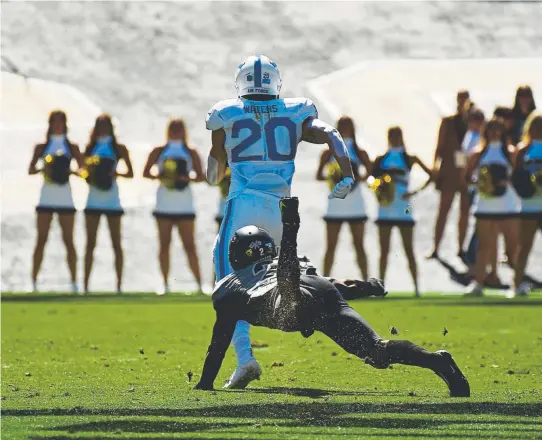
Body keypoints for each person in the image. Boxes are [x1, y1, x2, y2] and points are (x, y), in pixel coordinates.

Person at [195, 197, 470, 398]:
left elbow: (219, 342)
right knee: (376, 351)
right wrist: (366, 288)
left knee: (288, 301)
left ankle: (291, 226)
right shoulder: (284, 264)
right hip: (322, 294)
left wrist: (206, 382)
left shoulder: (228, 287)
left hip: (290, 299)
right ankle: (437, 361)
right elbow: (332, 284)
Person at [206, 54, 355, 389]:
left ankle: (245, 359)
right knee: (288, 275)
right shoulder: (295, 109)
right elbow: (330, 132)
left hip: (244, 204)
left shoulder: (226, 111)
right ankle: (330, 307)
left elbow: (214, 174)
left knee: (228, 281)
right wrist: (347, 174)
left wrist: (215, 162)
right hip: (281, 208)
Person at [143, 119, 205, 295]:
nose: (176, 132)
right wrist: (163, 176)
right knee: (164, 245)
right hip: (164, 206)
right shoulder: (159, 151)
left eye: (179, 129)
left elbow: (200, 176)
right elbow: (146, 172)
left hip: (185, 207)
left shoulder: (190, 152)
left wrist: (186, 178)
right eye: (173, 129)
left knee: (190, 245)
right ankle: (164, 283)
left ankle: (199, 283)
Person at [370, 127, 432, 297]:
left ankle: (417, 287)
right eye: (392, 135)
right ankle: (379, 287)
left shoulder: (409, 158)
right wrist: (379, 191)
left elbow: (431, 175)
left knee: (408, 249)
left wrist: (414, 192)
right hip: (385, 208)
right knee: (384, 251)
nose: (395, 138)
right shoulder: (380, 159)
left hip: (403, 207)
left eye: (397, 135)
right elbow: (370, 178)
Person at [28, 110, 83, 293]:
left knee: (68, 240)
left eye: (61, 122)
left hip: (65, 198)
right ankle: (33, 281)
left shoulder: (72, 147)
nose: (58, 125)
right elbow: (31, 169)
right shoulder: (42, 147)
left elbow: (83, 171)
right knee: (41, 239)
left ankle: (75, 281)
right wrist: (45, 168)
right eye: (55, 122)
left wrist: (71, 172)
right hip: (46, 197)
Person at [464, 117, 519, 296]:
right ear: (485, 132)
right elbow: (466, 177)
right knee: (484, 246)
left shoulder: (511, 152)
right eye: (491, 129)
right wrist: (479, 183)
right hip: (485, 206)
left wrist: (504, 181)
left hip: (507, 205)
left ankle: (517, 283)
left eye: (498, 129)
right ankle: (478, 283)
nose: (495, 133)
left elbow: (518, 176)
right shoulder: (478, 153)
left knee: (512, 247)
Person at [82, 114, 134, 294]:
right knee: (90, 243)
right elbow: (83, 171)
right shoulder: (90, 148)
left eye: (106, 125)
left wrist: (114, 174)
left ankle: (119, 286)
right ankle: (85, 286)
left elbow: (130, 172)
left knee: (116, 243)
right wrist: (91, 174)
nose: (103, 129)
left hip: (112, 200)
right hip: (93, 200)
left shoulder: (118, 148)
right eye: (100, 125)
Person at [316, 116, 371, 278]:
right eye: (342, 126)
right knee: (331, 246)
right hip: (335, 204)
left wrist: (360, 178)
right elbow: (319, 175)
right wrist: (333, 177)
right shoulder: (328, 153)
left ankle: (367, 281)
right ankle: (325, 280)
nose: (346, 129)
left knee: (359, 245)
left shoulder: (359, 152)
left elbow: (370, 173)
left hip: (355, 203)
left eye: (348, 126)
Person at [429, 90, 473, 259]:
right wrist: (435, 167)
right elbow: (439, 146)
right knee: (443, 210)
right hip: (449, 171)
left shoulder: (472, 122)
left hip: (466, 173)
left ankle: (461, 248)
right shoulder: (448, 122)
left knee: (464, 212)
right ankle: (436, 247)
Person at [511, 112, 542, 297]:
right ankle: (516, 284)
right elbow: (516, 177)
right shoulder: (523, 150)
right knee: (524, 247)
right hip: (529, 206)